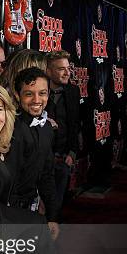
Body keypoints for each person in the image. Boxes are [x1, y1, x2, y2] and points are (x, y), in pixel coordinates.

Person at [7, 67, 59, 239]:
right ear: (17, 95)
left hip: (32, 209)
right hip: (9, 212)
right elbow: (10, 179)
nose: (37, 100)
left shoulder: (47, 129)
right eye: (29, 94)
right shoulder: (11, 129)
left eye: (42, 93)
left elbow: (47, 175)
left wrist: (52, 217)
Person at [45, 50, 80, 210]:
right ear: (48, 71)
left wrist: (72, 152)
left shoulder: (73, 91)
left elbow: (75, 124)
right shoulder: (40, 92)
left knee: (58, 206)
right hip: (42, 160)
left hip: (64, 159)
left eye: (68, 68)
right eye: (61, 69)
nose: (67, 73)